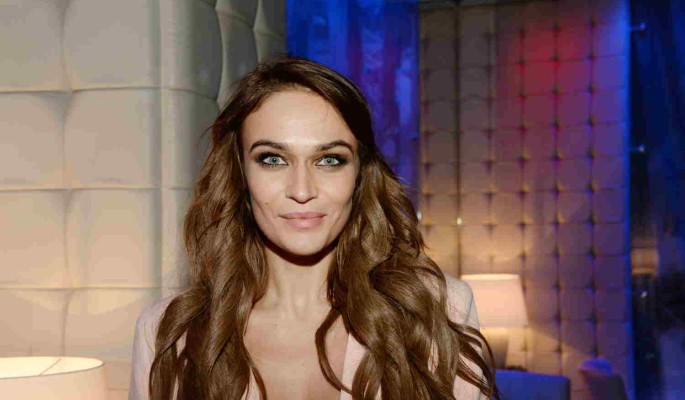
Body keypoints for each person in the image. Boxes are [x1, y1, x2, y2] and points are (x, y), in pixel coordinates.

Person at [129, 57, 497, 400]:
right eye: (273, 159)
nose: (302, 190)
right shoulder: (169, 335)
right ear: (239, 174)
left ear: (360, 175)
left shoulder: (437, 311)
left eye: (330, 160)